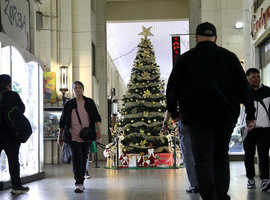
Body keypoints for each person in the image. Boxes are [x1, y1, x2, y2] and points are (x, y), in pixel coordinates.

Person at [166, 22, 255, 200]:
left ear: (196, 38)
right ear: (215, 38)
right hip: (225, 117)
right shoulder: (229, 57)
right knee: (221, 156)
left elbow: (172, 88)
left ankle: (209, 197)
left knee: (202, 158)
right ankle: (221, 195)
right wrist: (250, 114)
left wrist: (174, 113)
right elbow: (243, 88)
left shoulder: (185, 59)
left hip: (197, 118)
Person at [57, 81, 102, 193]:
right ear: (72, 90)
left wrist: (99, 131)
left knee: (84, 158)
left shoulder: (89, 102)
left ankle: (81, 180)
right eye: (75, 88)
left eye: (80, 88)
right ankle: (78, 183)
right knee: (77, 159)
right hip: (73, 136)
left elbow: (97, 118)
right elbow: (62, 121)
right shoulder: (69, 104)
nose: (77, 90)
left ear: (83, 89)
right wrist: (60, 136)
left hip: (87, 136)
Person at [0, 74, 29, 194]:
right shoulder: (12, 95)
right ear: (9, 84)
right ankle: (16, 186)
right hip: (11, 133)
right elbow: (21, 109)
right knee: (13, 159)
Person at [243, 68, 270, 191]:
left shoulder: (268, 91)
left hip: (264, 128)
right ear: (248, 78)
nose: (256, 79)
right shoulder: (243, 92)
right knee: (249, 154)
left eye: (257, 76)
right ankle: (250, 179)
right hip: (248, 129)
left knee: (263, 154)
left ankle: (265, 179)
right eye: (253, 77)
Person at [162, 110, 199, 193]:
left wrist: (165, 122)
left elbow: (171, 105)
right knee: (203, 153)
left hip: (186, 120)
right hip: (204, 121)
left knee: (188, 153)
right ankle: (207, 183)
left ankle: (195, 184)